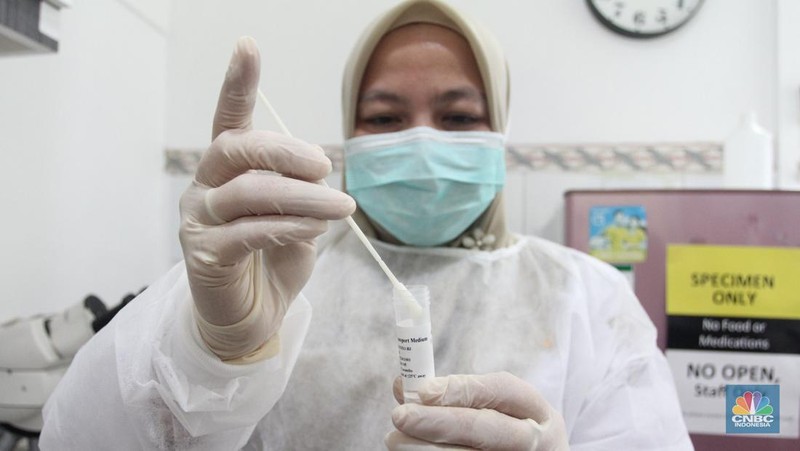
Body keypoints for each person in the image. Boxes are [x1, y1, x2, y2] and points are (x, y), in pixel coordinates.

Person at [40, 0, 693, 449]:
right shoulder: (273, 281)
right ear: (348, 134)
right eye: (382, 118)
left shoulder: (590, 300)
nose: (420, 141)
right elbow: (77, 439)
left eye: (459, 117)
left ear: (501, 132)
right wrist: (208, 350)